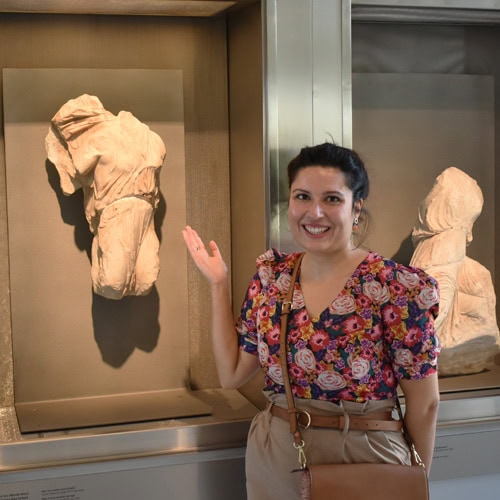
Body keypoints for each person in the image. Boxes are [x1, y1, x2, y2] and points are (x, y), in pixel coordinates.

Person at [182, 142, 440, 500]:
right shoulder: (273, 278)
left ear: (356, 208)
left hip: (368, 458)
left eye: (332, 199)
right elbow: (232, 374)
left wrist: (415, 481)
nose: (314, 212)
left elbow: (425, 403)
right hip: (280, 456)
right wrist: (218, 284)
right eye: (302, 196)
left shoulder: (395, 287)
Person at [46, 94, 166, 300]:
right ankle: (101, 251)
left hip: (146, 214)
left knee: (145, 281)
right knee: (113, 284)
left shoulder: (153, 140)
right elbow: (81, 168)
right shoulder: (107, 138)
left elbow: (80, 167)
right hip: (116, 211)